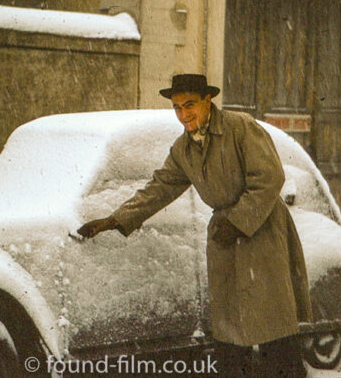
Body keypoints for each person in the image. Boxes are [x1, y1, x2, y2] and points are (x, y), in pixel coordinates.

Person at [77, 73, 312, 377]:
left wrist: (239, 221)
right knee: (231, 330)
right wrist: (116, 219)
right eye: (177, 108)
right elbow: (160, 187)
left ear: (207, 101)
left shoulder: (240, 127)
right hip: (225, 241)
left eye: (190, 105)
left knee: (272, 326)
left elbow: (270, 178)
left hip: (262, 230)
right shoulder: (183, 149)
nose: (184, 114)